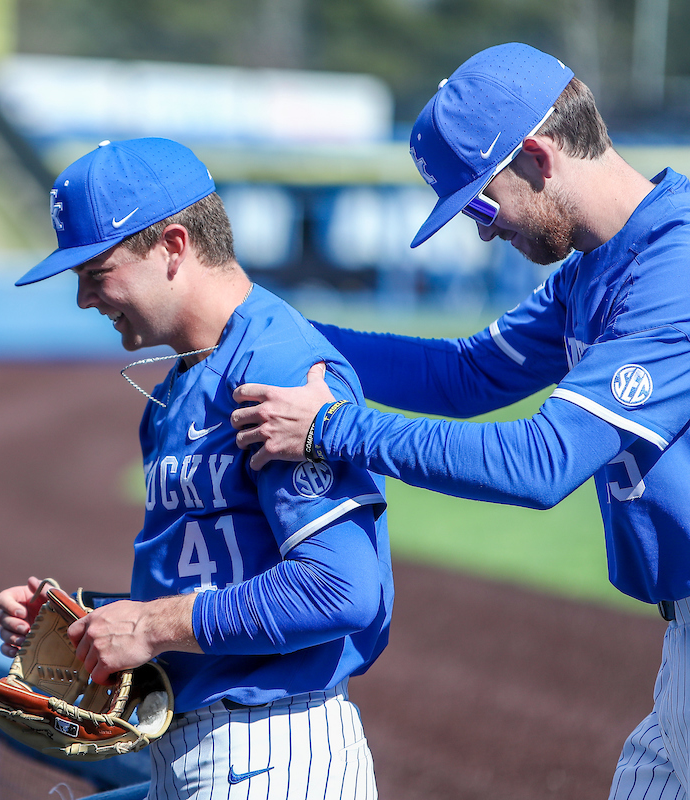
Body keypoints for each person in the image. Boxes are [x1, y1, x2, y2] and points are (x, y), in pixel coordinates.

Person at [229, 42, 690, 798]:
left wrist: (333, 427)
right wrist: (267, 327)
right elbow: (465, 375)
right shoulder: (600, 265)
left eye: (480, 202)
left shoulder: (675, 265)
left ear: (539, 157)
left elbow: (542, 464)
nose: (480, 229)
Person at [0, 137, 393, 798]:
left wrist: (149, 626)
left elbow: (341, 590)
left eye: (96, 273)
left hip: (274, 753)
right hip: (199, 754)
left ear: (173, 247)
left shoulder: (281, 368)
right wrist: (82, 621)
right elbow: (207, 578)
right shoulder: (176, 387)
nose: (85, 299)